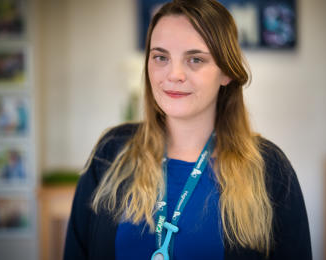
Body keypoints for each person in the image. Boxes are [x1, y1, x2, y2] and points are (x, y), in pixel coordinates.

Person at [64, 0, 312, 259]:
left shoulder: (270, 169)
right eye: (161, 57)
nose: (174, 74)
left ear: (227, 71)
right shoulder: (111, 152)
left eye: (195, 59)